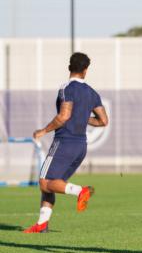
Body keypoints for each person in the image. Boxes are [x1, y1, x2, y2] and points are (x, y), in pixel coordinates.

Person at [24, 52, 108, 233]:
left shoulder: (66, 88)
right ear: (86, 70)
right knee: (53, 183)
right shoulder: (92, 93)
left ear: (69, 67)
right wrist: (84, 117)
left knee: (44, 182)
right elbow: (103, 121)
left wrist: (43, 131)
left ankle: (80, 191)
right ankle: (42, 224)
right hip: (80, 146)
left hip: (64, 142)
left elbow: (64, 116)